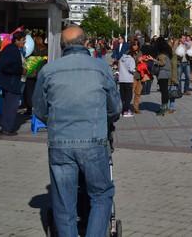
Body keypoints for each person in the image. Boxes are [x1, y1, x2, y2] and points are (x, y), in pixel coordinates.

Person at [33, 25, 121, 237]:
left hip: (60, 142)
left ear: (62, 46)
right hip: (93, 140)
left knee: (63, 203)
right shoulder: (100, 68)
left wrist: (56, 122)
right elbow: (115, 108)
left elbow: (39, 109)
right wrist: (103, 120)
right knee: (101, 195)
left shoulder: (48, 70)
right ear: (85, 42)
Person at [0, 31, 27, 136]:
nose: (24, 42)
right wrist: (20, 70)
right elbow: (6, 66)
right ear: (16, 40)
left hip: (10, 82)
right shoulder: (12, 50)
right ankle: (7, 129)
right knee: (11, 107)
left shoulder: (12, 49)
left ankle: (6, 127)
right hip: (11, 84)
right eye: (23, 40)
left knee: (9, 106)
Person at [23, 32, 48, 115]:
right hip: (40, 73)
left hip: (31, 73)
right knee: (38, 91)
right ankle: (36, 107)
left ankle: (29, 108)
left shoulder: (32, 50)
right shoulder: (46, 49)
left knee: (29, 91)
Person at [155, 37, 174, 115]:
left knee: (163, 91)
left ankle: (163, 108)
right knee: (165, 91)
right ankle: (165, 106)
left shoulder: (161, 54)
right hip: (167, 73)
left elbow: (162, 63)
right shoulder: (168, 52)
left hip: (162, 74)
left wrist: (154, 60)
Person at [117, 48, 136, 117]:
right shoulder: (131, 59)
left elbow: (119, 68)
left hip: (121, 79)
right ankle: (126, 111)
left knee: (123, 96)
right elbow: (131, 69)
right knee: (128, 96)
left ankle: (122, 110)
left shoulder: (121, 58)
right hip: (128, 79)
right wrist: (135, 70)